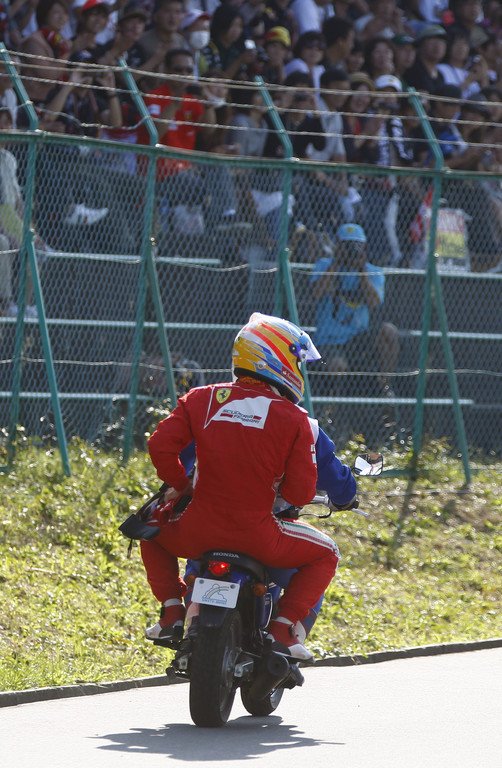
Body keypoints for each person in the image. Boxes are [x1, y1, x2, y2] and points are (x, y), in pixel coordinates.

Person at [140, 312, 344, 660]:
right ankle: (282, 630)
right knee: (328, 553)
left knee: (148, 525)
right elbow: (298, 493)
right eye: (297, 360)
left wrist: (182, 485)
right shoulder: (295, 419)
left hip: (197, 532)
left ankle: (172, 611)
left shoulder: (201, 398)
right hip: (260, 536)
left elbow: (159, 445)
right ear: (278, 359)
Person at [310, 223, 399, 394]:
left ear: (364, 247)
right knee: (337, 365)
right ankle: (331, 406)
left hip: (359, 338)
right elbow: (316, 293)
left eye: (357, 245)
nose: (352, 251)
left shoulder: (372, 271)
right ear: (337, 246)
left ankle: (385, 387)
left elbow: (374, 303)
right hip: (329, 340)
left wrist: (361, 271)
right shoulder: (324, 265)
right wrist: (336, 263)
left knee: (389, 331)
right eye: (347, 245)